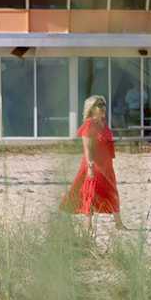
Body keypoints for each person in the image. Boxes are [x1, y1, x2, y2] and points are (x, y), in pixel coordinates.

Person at [60, 94, 128, 235]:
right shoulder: (89, 124)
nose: (103, 107)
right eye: (99, 105)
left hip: (107, 163)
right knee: (91, 191)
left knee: (112, 191)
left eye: (103, 104)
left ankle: (119, 223)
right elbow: (87, 148)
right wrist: (89, 166)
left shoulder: (103, 122)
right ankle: (88, 225)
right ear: (92, 108)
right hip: (94, 163)